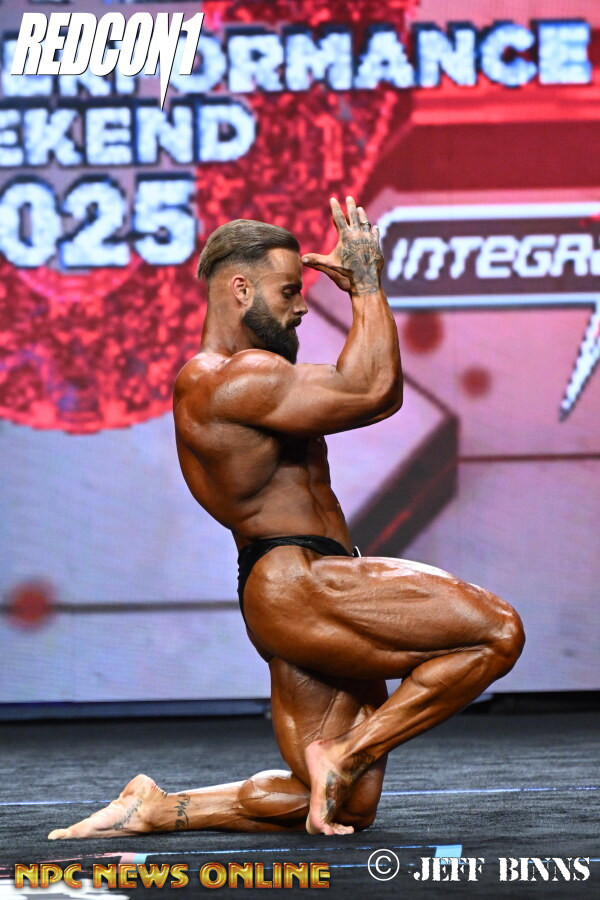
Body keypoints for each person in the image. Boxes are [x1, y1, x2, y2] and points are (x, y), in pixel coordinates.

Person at [48, 196, 524, 840]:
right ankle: (345, 753)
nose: (301, 306)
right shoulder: (228, 377)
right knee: (495, 632)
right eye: (289, 291)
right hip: (299, 580)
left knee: (346, 805)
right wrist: (366, 285)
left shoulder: (240, 378)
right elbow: (372, 390)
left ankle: (158, 808)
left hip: (290, 587)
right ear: (240, 289)